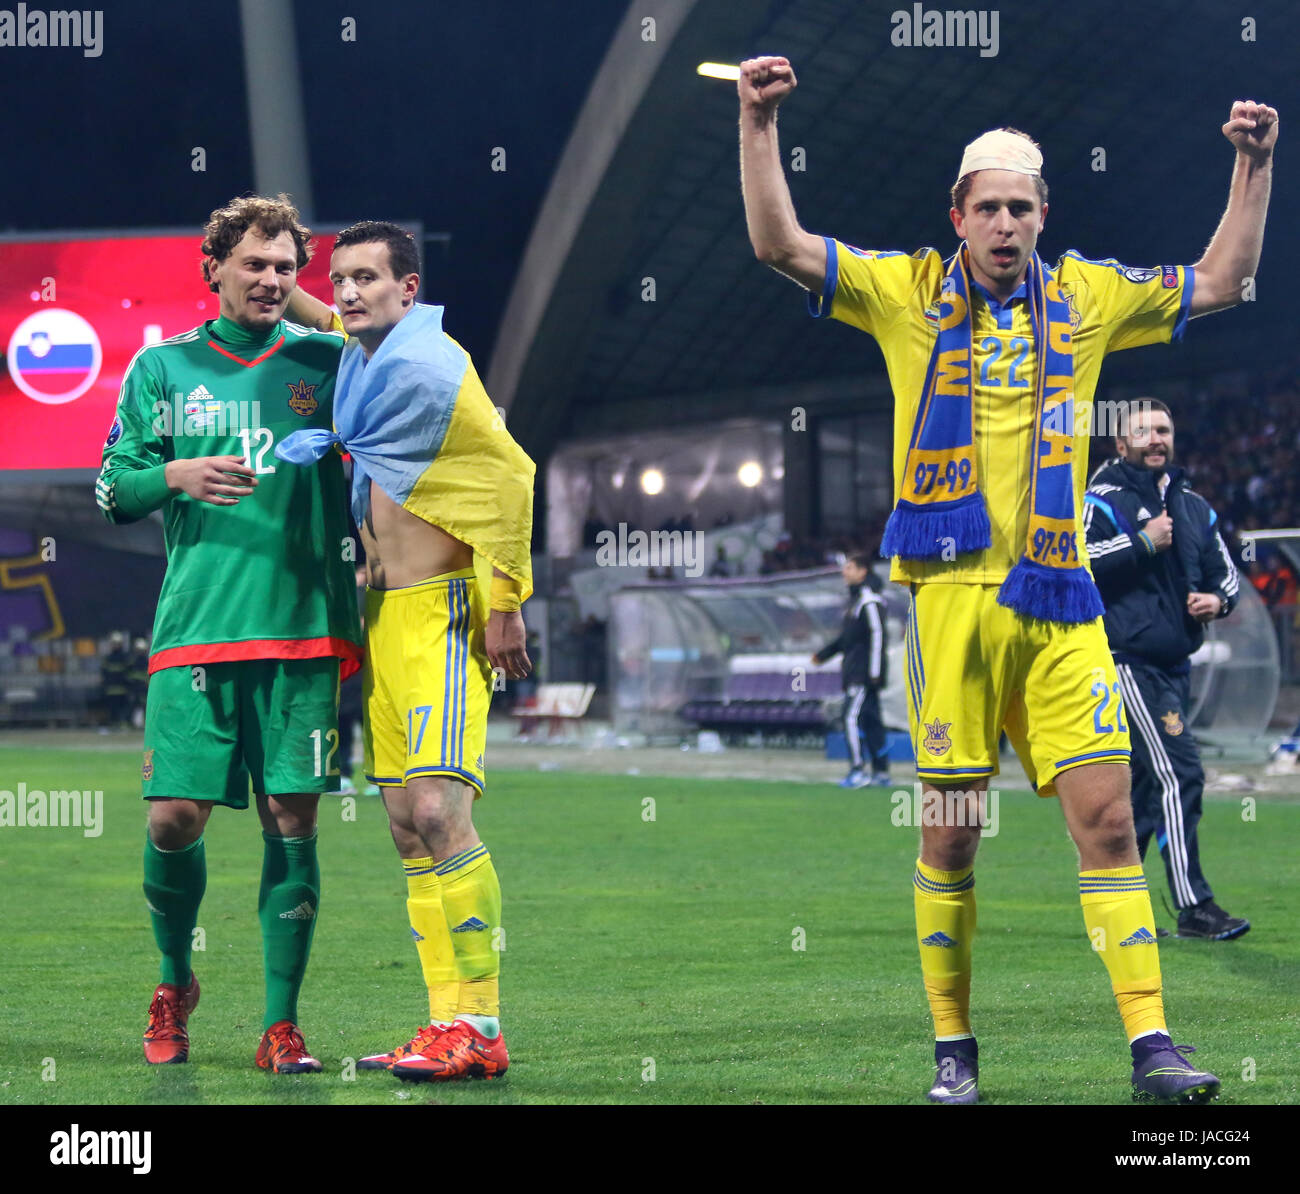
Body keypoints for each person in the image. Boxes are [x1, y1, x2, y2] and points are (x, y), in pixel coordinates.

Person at [737, 55, 1275, 1103]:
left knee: (1110, 823)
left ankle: (1152, 1047)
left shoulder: (1088, 297)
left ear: (1042, 215)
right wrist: (758, 123)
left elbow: (1218, 282)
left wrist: (1252, 167)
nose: (1003, 225)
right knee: (949, 837)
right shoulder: (901, 293)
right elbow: (778, 244)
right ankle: (953, 1049)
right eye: (986, 207)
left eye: (1020, 208)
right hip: (950, 604)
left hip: (1063, 602)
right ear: (957, 213)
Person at [96, 195, 363, 1073]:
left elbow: (429, 382)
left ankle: (281, 1025)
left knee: (294, 821)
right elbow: (113, 489)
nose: (271, 279)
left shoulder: (332, 361)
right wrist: (174, 471)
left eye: (287, 266)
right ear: (213, 269)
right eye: (254, 263)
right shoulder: (162, 370)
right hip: (196, 632)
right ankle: (175, 980)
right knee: (173, 819)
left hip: (305, 632)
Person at [279, 221, 534, 1082]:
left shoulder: (430, 369)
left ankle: (485, 1024)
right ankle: (444, 1024)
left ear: (408, 289)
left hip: (447, 614)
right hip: (384, 618)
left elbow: (507, 476)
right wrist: (272, 269)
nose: (347, 292)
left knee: (439, 815)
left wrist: (507, 603)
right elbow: (321, 316)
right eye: (339, 278)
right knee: (403, 828)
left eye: (367, 278)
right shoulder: (365, 363)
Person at [1085, 398, 1247, 940]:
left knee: (1148, 790)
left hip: (1176, 661)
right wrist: (1142, 542)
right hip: (1130, 660)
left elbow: (1226, 576)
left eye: (1164, 429)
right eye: (1145, 430)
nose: (1156, 438)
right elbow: (1077, 565)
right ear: (1121, 443)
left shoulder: (1194, 506)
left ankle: (1114, 893)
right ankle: (1194, 906)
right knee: (1182, 771)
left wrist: (1216, 602)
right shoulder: (1100, 500)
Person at [813, 552, 889, 788]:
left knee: (850, 718)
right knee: (872, 721)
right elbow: (848, 639)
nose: (844, 572)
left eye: (849, 568)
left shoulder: (869, 601)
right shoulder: (856, 602)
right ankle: (881, 772)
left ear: (862, 571)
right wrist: (823, 655)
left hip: (863, 674)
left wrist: (874, 673)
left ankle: (858, 770)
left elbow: (878, 636)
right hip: (859, 671)